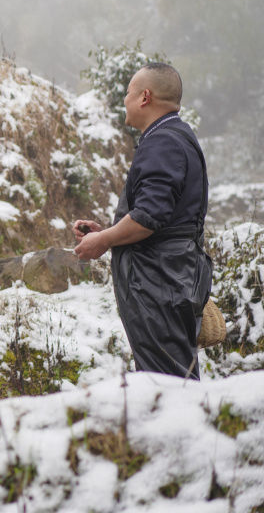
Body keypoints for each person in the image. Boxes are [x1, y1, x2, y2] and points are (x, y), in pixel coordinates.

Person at [73, 62, 212, 379]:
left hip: (158, 283)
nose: (124, 99)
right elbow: (163, 217)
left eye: (127, 92)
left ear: (144, 97)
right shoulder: (178, 136)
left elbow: (149, 218)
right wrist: (107, 231)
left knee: (166, 382)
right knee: (174, 374)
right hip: (172, 278)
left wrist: (104, 240)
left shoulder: (162, 141)